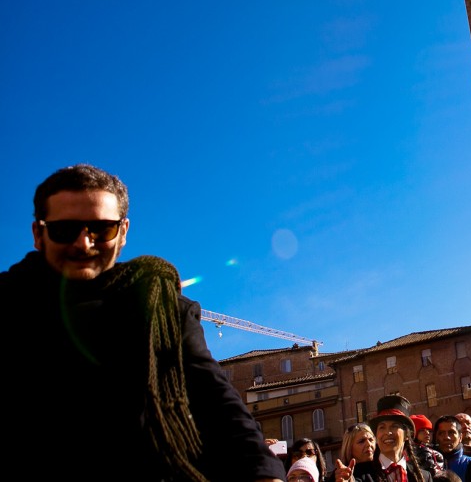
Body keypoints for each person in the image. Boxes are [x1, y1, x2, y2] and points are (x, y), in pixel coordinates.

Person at [0, 164, 284, 481]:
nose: (83, 243)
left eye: (101, 229)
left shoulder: (166, 310)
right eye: (65, 229)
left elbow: (214, 400)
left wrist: (264, 472)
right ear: (39, 233)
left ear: (122, 232)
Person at [348, 395, 432, 482]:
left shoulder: (424, 477)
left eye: (394, 426)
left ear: (407, 435)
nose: (387, 432)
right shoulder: (359, 475)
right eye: (382, 427)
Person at [435, 415, 471, 479]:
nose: (446, 437)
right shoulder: (429, 463)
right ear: (436, 437)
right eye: (441, 433)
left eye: (451, 432)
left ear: (460, 437)